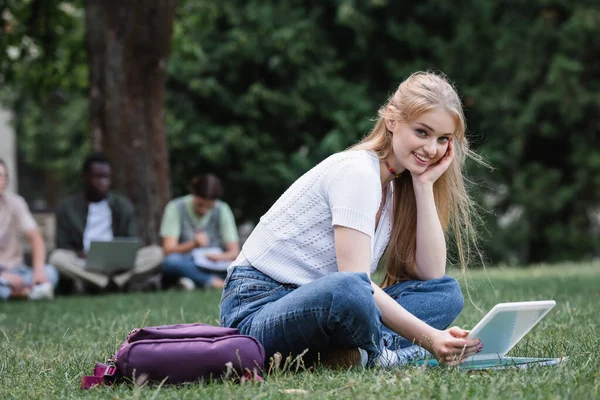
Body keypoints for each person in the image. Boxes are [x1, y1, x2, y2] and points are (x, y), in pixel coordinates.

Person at [219, 71, 486, 369]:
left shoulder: (397, 186)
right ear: (392, 120)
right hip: (258, 312)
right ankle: (385, 357)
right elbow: (355, 284)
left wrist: (424, 186)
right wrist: (431, 338)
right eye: (422, 132)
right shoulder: (358, 172)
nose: (431, 149)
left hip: (321, 308)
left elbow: (431, 272)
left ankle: (347, 354)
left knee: (445, 294)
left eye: (442, 140)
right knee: (350, 290)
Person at [49, 153, 163, 293]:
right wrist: (83, 254)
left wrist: (117, 256)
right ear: (85, 177)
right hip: (84, 263)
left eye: (106, 177)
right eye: (98, 177)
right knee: (57, 258)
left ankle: (114, 281)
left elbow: (130, 241)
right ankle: (104, 284)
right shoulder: (68, 208)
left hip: (118, 265)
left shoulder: (122, 205)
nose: (103, 182)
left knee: (157, 253)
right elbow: (63, 245)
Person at [160, 174, 240, 290]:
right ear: (194, 194)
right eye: (200, 205)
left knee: (240, 267)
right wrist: (193, 244)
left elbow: (234, 252)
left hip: (215, 263)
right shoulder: (176, 207)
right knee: (171, 262)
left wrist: (217, 257)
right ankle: (212, 282)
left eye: (209, 207)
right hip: (187, 261)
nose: (204, 210)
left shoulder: (222, 209)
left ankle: (192, 281)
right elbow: (168, 250)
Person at [0, 159, 58, 300]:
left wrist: (38, 270)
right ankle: (26, 293)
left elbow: (35, 237)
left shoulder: (15, 203)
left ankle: (18, 292)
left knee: (50, 272)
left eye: (3, 176)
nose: (1, 180)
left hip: (18, 271)